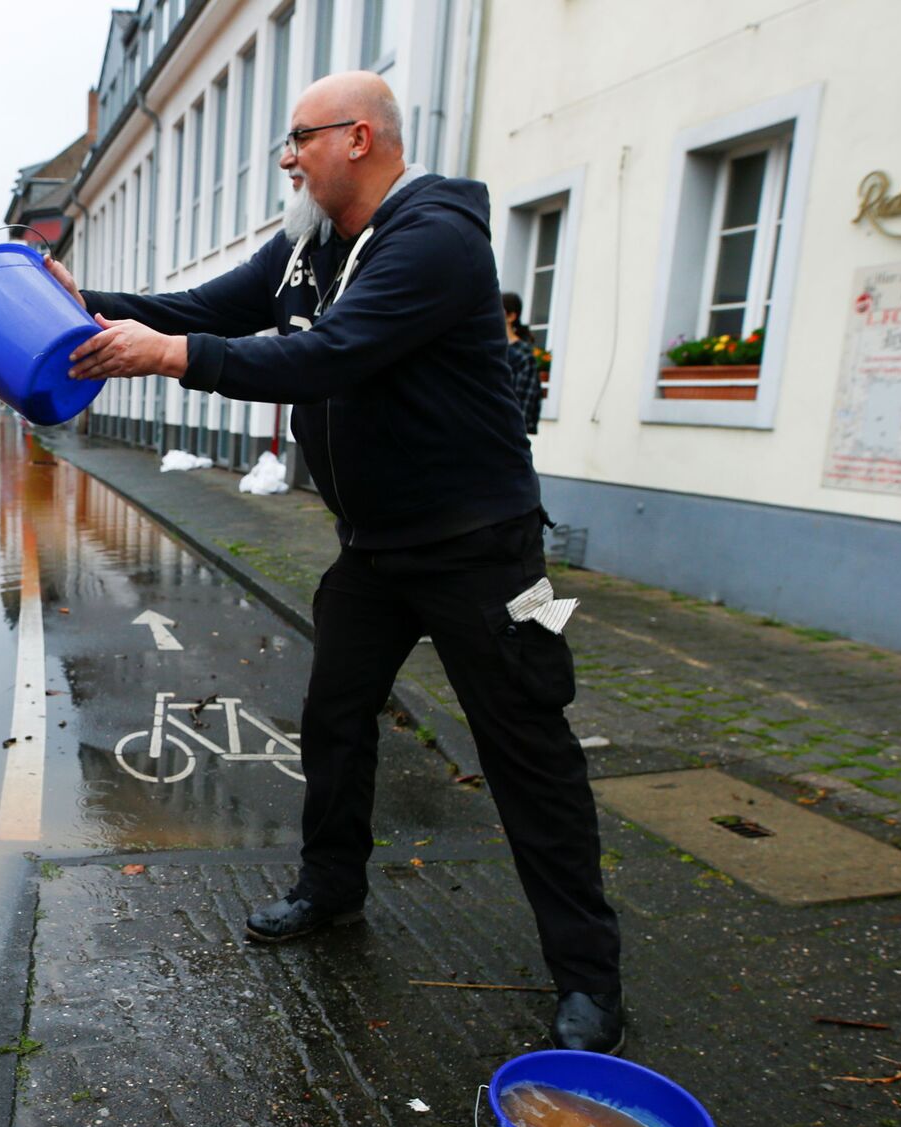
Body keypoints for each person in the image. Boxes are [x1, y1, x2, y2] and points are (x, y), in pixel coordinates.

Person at [47, 72, 623, 1054]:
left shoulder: (434, 240)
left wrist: (172, 357)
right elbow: (205, 303)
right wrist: (83, 300)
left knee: (530, 754)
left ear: (359, 137)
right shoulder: (311, 245)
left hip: (482, 553)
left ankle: (589, 982)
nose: (286, 157)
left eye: (299, 138)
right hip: (377, 551)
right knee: (333, 716)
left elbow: (333, 356)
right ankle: (331, 885)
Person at [501, 292, 543, 435]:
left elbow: (521, 410)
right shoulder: (487, 348)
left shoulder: (523, 356)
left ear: (511, 317)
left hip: (505, 438)